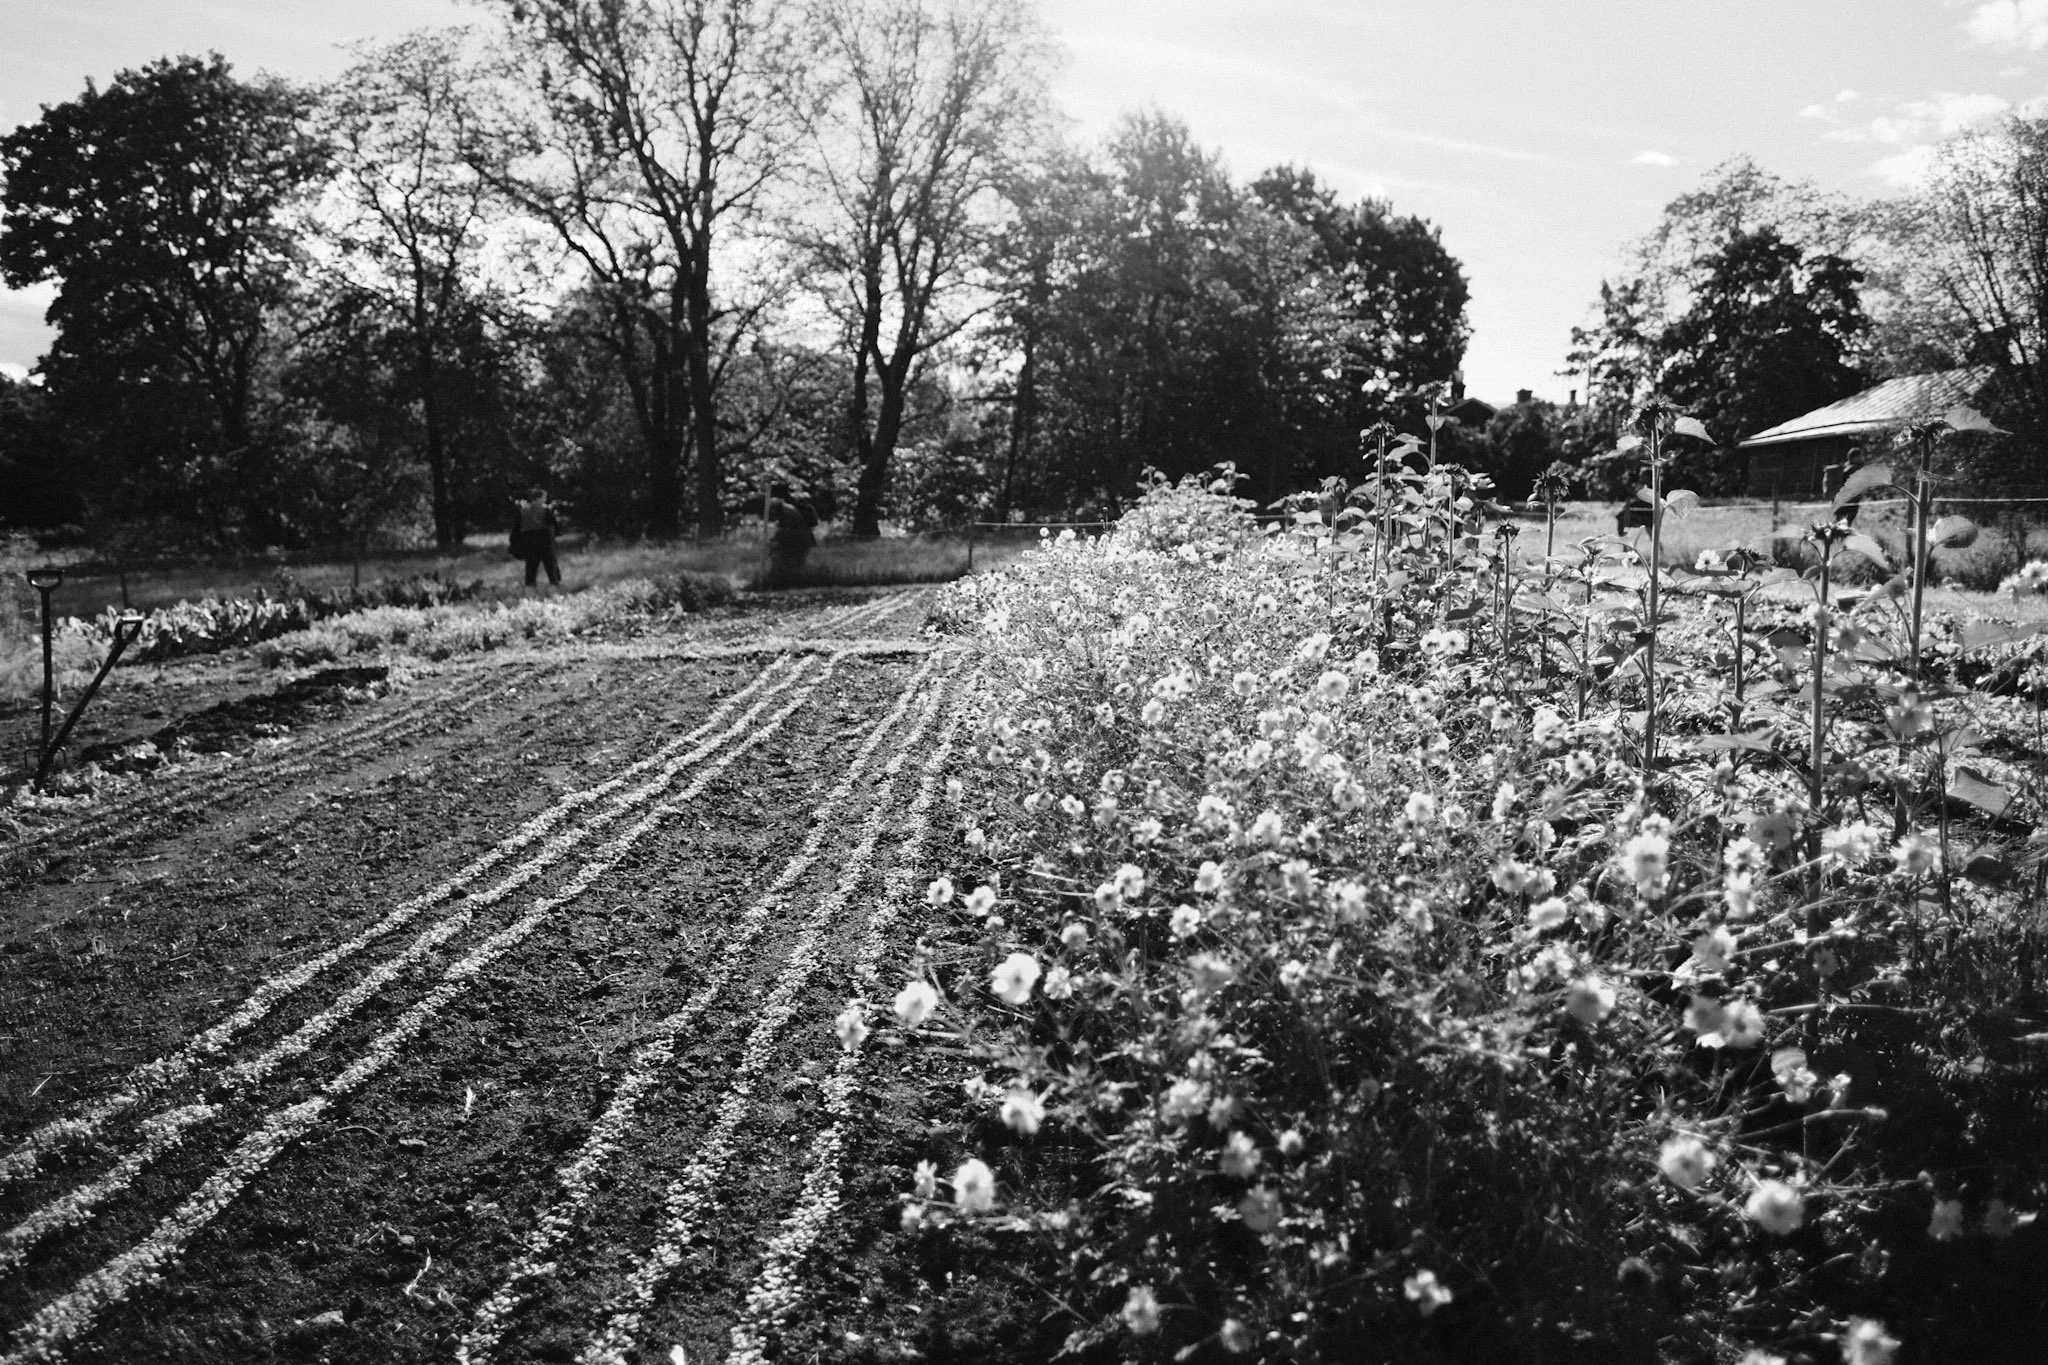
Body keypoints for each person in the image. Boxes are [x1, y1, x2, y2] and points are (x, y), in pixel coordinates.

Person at [763, 481, 818, 584]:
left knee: (794, 562)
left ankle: (790, 581)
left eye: (773, 511)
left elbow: (785, 530)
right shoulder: (786, 509)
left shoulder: (787, 512)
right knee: (792, 561)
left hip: (800, 540)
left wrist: (775, 540)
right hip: (799, 539)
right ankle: (786, 579)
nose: (773, 514)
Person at [512, 487, 562, 588]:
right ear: (538, 498)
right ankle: (554, 584)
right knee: (550, 564)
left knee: (531, 565)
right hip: (544, 538)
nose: (545, 499)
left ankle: (530, 586)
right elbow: (553, 525)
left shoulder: (523, 510)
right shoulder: (545, 509)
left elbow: (516, 528)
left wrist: (515, 542)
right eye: (544, 497)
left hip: (528, 539)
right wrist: (555, 536)